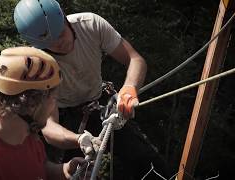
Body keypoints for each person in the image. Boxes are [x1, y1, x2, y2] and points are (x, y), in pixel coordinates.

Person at [14, 0, 170, 179]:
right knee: (77, 173)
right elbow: (49, 127)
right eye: (50, 43)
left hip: (101, 104)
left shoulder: (90, 25)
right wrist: (78, 140)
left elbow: (135, 59)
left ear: (65, 18)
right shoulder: (38, 64)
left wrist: (129, 89)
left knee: (145, 160)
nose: (59, 43)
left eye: (61, 33)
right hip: (68, 119)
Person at [0, 46, 86, 179]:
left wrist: (63, 170)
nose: (54, 105)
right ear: (32, 103)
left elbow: (39, 167)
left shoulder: (27, 134)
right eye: (52, 97)